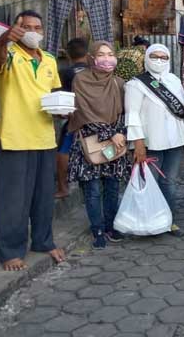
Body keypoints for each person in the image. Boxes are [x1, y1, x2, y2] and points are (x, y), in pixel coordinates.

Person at [0, 10, 66, 270]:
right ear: (17, 29)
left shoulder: (49, 59)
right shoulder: (9, 54)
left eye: (38, 27)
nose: (33, 31)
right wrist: (3, 41)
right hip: (14, 139)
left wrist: (61, 108)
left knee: (43, 197)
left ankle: (44, 242)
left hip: (45, 137)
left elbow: (53, 93)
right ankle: (11, 251)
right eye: (27, 27)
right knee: (13, 201)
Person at [125, 43, 184, 237]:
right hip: (150, 141)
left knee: (170, 182)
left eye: (163, 57)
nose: (159, 60)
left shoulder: (173, 80)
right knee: (150, 182)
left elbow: (182, 104)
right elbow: (132, 115)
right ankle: (149, 223)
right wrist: (138, 143)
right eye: (154, 56)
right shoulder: (136, 84)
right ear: (146, 58)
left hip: (175, 140)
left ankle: (169, 221)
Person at [67, 41, 130, 249]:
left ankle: (111, 226)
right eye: (101, 54)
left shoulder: (119, 83)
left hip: (115, 142)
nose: (107, 58)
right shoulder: (81, 80)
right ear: (92, 57)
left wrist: (120, 132)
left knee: (112, 187)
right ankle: (98, 230)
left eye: (110, 54)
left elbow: (124, 112)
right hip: (90, 142)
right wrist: (110, 134)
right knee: (92, 190)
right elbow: (84, 112)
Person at [56, 37, 90, 199]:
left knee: (63, 151)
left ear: (68, 55)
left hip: (73, 119)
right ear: (87, 54)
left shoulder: (65, 73)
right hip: (96, 120)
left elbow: (60, 98)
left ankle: (63, 188)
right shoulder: (95, 71)